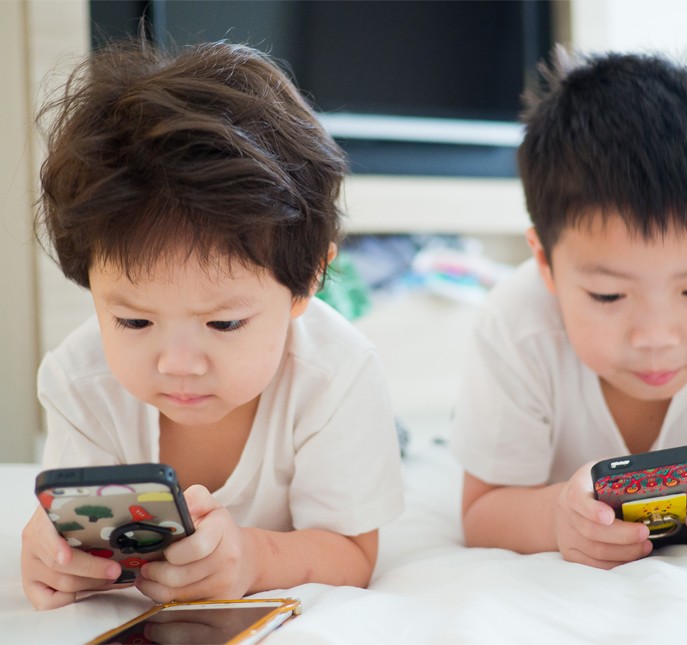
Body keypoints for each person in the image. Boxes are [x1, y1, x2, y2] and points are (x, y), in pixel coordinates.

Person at [21, 38, 404, 610]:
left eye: (223, 324)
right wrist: (58, 560)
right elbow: (82, 541)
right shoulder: (78, 382)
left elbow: (351, 551)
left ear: (307, 283)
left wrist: (253, 559)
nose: (178, 363)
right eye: (133, 320)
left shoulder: (338, 374)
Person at [450, 50, 687, 569]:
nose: (656, 337)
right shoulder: (515, 323)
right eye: (608, 296)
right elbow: (482, 512)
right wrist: (557, 519)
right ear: (545, 263)